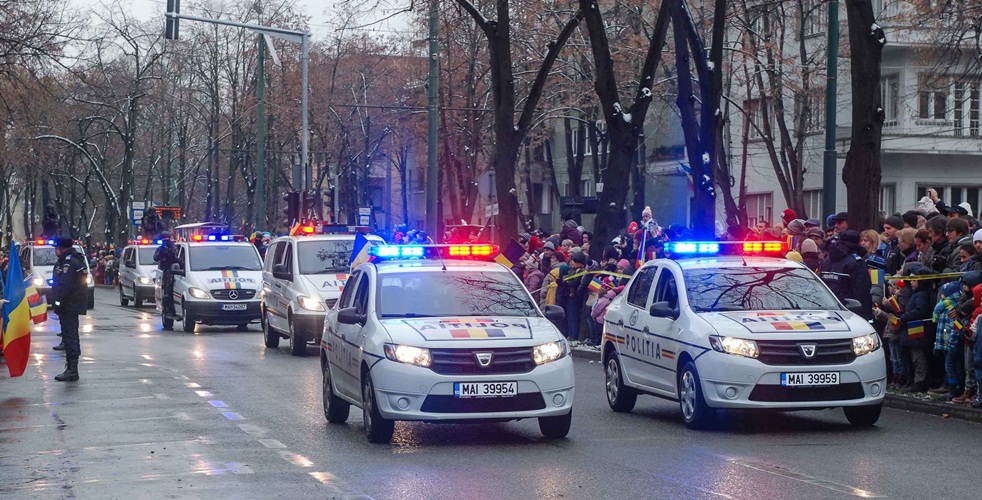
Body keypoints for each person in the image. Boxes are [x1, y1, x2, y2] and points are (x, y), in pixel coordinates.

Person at [51, 237, 88, 382]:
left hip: (69, 306)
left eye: (57, 247)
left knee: (70, 336)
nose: (55, 250)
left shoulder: (69, 263)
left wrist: (58, 304)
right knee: (70, 336)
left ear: (63, 248)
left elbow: (64, 287)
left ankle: (72, 370)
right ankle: (71, 368)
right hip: (71, 305)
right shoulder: (71, 260)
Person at [819, 230, 873, 321]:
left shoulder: (827, 260)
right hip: (850, 313)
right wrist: (866, 316)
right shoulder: (855, 261)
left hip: (827, 310)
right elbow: (862, 290)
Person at [154, 232, 180, 319]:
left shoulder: (173, 247)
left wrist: (170, 252)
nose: (165, 240)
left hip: (173, 272)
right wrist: (162, 251)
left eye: (166, 238)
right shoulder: (160, 248)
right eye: (164, 238)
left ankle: (171, 311)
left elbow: (177, 259)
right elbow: (155, 258)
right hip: (165, 273)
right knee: (166, 294)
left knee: (169, 293)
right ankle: (167, 311)